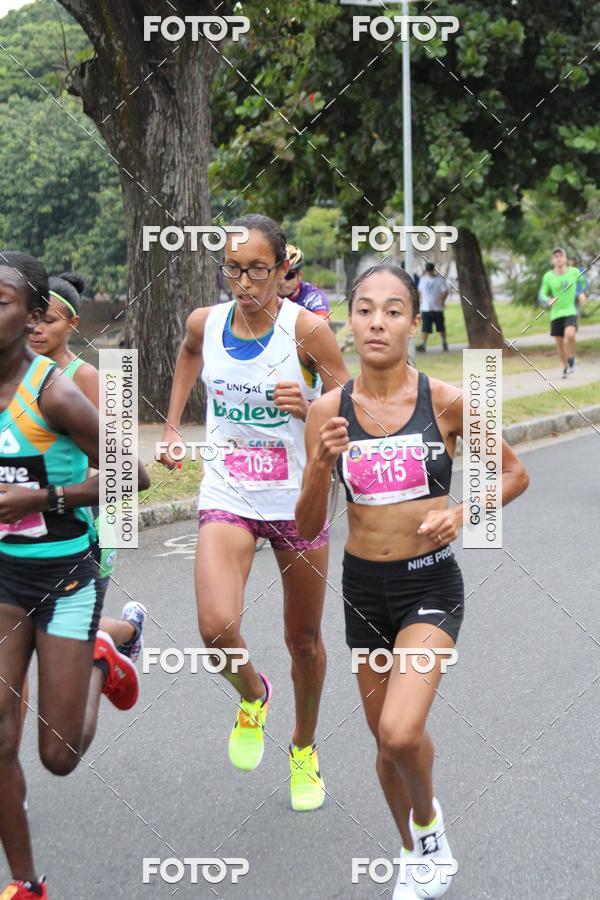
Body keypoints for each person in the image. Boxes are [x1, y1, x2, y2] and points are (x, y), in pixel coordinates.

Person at [296, 263, 529, 898]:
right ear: (350, 320)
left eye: (393, 310)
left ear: (412, 320)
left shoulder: (447, 401)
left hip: (429, 586)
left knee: (400, 730)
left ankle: (428, 828)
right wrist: (320, 463)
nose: (377, 322)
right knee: (385, 744)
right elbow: (308, 522)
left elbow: (512, 474)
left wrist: (463, 512)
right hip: (363, 590)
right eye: (365, 309)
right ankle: (413, 851)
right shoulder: (326, 411)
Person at [159, 214, 348, 811]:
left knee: (305, 640)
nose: (243, 282)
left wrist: (310, 405)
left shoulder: (308, 331)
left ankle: (304, 747)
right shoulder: (205, 323)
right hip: (228, 493)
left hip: (300, 498)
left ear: (281, 270)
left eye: (257, 270)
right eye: (233, 270)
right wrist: (171, 423)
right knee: (215, 629)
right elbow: (190, 353)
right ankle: (252, 693)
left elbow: (357, 406)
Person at [0, 252, 150, 900]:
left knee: (58, 757)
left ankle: (101, 657)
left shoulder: (53, 391)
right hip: (2, 581)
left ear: (33, 317)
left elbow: (131, 475)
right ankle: (27, 884)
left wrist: (43, 501)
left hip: (64, 580)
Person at [539, 248, 587, 378]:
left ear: (565, 259)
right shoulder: (548, 276)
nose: (558, 258)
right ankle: (566, 367)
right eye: (555, 256)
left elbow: (583, 282)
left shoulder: (574, 272)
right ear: (552, 260)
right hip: (556, 313)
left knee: (569, 334)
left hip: (570, 310)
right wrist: (547, 300)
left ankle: (572, 357)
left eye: (561, 255)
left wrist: (582, 293)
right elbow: (541, 293)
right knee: (559, 343)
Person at [277, 244, 331, 319]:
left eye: (288, 275)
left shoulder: (313, 296)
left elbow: (321, 323)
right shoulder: (265, 294)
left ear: (299, 276)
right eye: (278, 274)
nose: (282, 281)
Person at [416, 263, 448, 352]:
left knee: (441, 327)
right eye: (428, 270)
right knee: (425, 328)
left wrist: (442, 301)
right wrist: (420, 302)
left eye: (430, 270)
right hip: (426, 308)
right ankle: (423, 344)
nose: (429, 272)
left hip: (437, 309)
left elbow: (445, 291)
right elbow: (420, 292)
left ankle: (444, 342)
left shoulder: (440, 280)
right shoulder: (423, 280)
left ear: (433, 270)